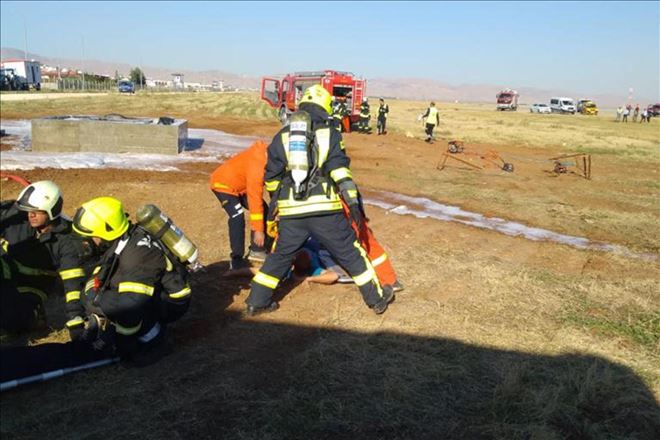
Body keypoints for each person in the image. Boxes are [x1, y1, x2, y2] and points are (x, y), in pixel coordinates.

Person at [247, 84, 394, 316]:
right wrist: (353, 202)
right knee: (350, 253)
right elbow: (340, 172)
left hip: (291, 212)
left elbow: (271, 178)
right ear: (325, 107)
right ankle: (376, 299)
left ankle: (256, 301)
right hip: (325, 210)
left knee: (280, 257)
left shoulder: (282, 136)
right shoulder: (331, 134)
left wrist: (278, 201)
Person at [72, 197, 192, 365]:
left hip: (171, 302)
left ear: (106, 230)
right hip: (150, 291)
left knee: (113, 303)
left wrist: (123, 344)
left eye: (91, 236)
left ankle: (154, 339)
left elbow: (132, 304)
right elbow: (104, 269)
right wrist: (92, 293)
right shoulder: (122, 240)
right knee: (101, 299)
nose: (86, 242)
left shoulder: (138, 255)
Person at [1, 180, 93, 338]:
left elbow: (72, 283)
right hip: (4, 271)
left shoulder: (67, 240)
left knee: (12, 320)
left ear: (52, 210)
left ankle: (34, 316)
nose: (30, 215)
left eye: (37, 212)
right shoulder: (17, 214)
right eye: (29, 210)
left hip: (31, 287)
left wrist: (75, 318)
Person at [209, 140, 271, 272]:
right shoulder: (258, 166)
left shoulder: (270, 157)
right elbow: (255, 199)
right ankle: (236, 259)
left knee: (265, 210)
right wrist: (258, 230)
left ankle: (257, 249)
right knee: (237, 216)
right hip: (223, 184)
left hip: (242, 186)